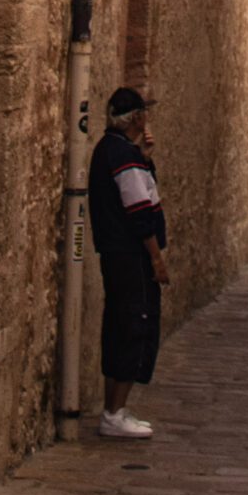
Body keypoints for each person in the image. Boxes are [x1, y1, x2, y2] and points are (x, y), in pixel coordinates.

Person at [87, 85, 168, 440]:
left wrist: (145, 157)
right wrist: (156, 258)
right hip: (131, 256)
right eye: (143, 113)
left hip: (116, 254)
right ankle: (115, 412)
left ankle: (113, 410)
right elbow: (139, 211)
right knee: (135, 325)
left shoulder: (111, 151)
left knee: (120, 324)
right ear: (136, 118)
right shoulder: (123, 158)